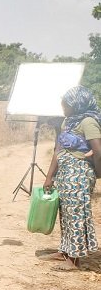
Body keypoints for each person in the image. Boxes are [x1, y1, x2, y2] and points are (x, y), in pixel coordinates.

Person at [42, 85, 101, 269]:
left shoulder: (88, 122)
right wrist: (49, 176)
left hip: (80, 175)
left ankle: (73, 260)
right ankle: (64, 251)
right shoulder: (68, 122)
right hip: (65, 174)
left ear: (77, 104)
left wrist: (98, 173)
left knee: (76, 214)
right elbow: (58, 150)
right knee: (66, 214)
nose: (63, 108)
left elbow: (98, 150)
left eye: (66, 105)